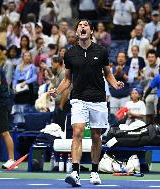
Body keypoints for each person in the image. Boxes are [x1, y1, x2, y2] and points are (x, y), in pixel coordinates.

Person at [49, 19, 124, 187]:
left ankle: (94, 172)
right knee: (78, 132)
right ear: (77, 32)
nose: (82, 27)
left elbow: (108, 73)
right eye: (80, 26)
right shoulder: (69, 53)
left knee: (97, 136)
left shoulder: (101, 51)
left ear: (91, 31)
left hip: (98, 98)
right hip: (78, 98)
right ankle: (75, 172)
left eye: (86, 25)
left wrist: (115, 84)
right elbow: (67, 79)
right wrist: (57, 91)